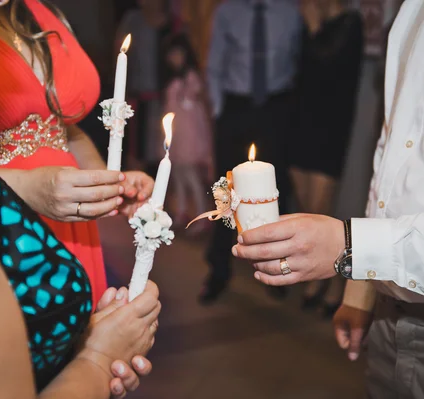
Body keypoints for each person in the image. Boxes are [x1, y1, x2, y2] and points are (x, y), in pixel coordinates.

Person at [233, 0, 424, 397]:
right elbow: (392, 153)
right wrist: (363, 289)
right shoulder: (414, 11)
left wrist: (350, 245)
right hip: (389, 313)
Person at [0, 0, 160, 397]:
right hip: (1, 224)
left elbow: (60, 127)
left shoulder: (38, 14)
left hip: (72, 227)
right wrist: (96, 361)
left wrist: (107, 183)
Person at [201, 0, 301, 304]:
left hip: (275, 107)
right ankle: (218, 270)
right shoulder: (227, 12)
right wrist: (220, 112)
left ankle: (276, 270)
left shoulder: (290, 12)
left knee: (276, 190)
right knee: (225, 192)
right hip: (236, 108)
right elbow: (215, 63)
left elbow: (297, 60)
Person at [291, 0, 363, 314]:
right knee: (307, 208)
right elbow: (300, 67)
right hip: (302, 119)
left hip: (330, 126)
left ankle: (334, 281)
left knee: (321, 212)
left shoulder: (351, 23)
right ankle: (321, 276)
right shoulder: (309, 23)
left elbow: (328, 64)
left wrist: (313, 28)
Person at [161, 34, 213, 229]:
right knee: (178, 176)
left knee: (191, 176)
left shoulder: (190, 78)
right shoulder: (174, 79)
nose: (173, 57)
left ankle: (201, 215)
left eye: (177, 53)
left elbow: (194, 109)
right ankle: (182, 212)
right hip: (176, 134)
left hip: (188, 134)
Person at [116, 0, 174, 176]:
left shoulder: (173, 23)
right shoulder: (132, 20)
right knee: (137, 149)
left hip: (166, 98)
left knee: (162, 147)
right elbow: (119, 52)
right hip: (138, 97)